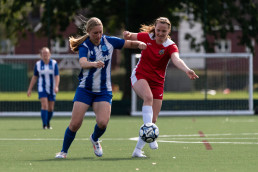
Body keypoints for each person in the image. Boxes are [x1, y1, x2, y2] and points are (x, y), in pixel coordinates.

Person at [55, 17, 146, 159]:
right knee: (75, 124)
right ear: (88, 32)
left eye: (100, 32)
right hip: (85, 90)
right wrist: (93, 64)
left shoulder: (109, 41)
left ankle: (94, 139)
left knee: (103, 123)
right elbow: (83, 62)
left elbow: (128, 43)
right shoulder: (85, 45)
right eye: (95, 33)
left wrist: (140, 44)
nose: (98, 36)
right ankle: (63, 152)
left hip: (103, 91)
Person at [123, 17, 199, 158]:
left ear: (168, 31)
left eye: (164, 31)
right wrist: (127, 34)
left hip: (157, 82)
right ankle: (150, 131)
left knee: (153, 119)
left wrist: (187, 70)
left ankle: (137, 151)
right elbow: (130, 36)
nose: (160, 33)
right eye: (158, 30)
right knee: (148, 97)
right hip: (140, 75)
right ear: (155, 29)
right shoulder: (147, 37)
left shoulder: (171, 46)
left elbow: (176, 59)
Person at [27, 47, 60, 129]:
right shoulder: (38, 64)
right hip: (42, 87)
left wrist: (56, 86)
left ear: (50, 54)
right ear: (41, 55)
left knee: (51, 108)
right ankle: (44, 124)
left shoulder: (54, 63)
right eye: (43, 53)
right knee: (44, 105)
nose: (45, 55)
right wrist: (29, 89)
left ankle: (48, 122)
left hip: (52, 88)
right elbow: (35, 77)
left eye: (47, 53)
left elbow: (57, 76)